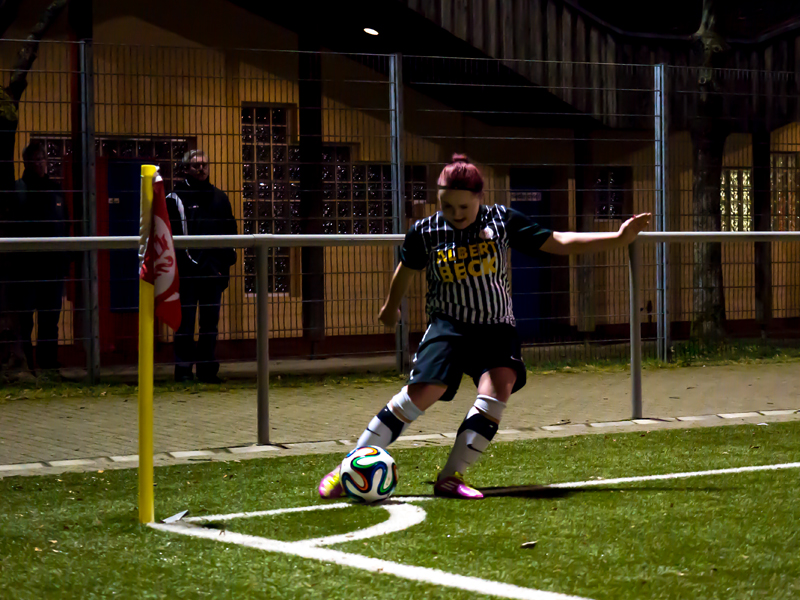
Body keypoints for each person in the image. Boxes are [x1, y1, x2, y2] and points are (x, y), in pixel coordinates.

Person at [318, 154, 651, 499]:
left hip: (495, 326)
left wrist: (617, 238)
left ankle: (451, 476)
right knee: (422, 393)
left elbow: (559, 241)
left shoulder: (503, 221)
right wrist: (390, 307)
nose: (456, 214)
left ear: (479, 197)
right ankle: (347, 470)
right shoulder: (426, 231)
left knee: (497, 388)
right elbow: (406, 268)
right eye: (448, 206)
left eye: (463, 206)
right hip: (448, 326)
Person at [166, 150, 237, 384]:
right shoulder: (175, 198)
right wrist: (187, 265)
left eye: (205, 164)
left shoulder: (220, 198)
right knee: (184, 324)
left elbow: (231, 236)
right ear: (186, 168)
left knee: (209, 325)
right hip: (186, 274)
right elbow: (171, 239)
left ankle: (207, 371)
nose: (201, 169)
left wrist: (223, 269)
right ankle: (184, 370)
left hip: (213, 273)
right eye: (196, 165)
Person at [11, 141, 72, 375]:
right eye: (35, 159)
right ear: (26, 162)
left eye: (43, 158)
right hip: (26, 267)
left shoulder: (56, 190)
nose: (40, 163)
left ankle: (48, 364)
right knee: (25, 320)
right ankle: (27, 364)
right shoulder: (19, 189)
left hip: (53, 267)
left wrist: (65, 260)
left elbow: (64, 225)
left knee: (50, 319)